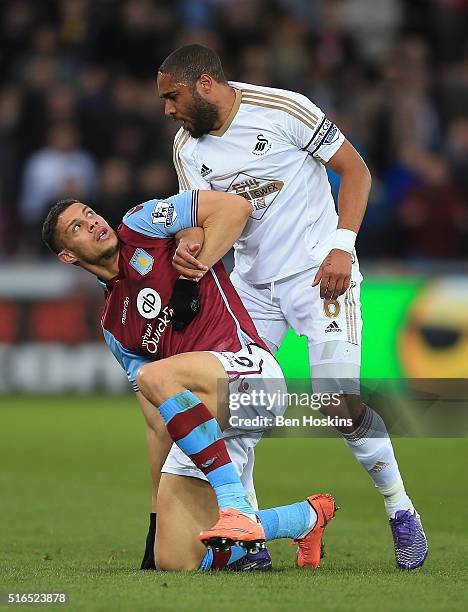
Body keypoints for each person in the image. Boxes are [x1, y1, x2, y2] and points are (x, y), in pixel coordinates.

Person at [156, 44, 428, 570]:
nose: (168, 109)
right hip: (252, 290)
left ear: (205, 83)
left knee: (338, 405)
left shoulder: (284, 110)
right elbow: (200, 216)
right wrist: (191, 243)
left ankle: (400, 508)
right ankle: (247, 537)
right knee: (233, 407)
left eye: (173, 96)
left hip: (320, 275)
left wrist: (342, 247)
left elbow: (356, 172)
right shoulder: (187, 148)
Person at [41, 190, 338, 572]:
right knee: (175, 560)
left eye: (90, 213)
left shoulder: (141, 225)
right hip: (205, 422)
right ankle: (302, 519)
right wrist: (155, 519)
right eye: (77, 228)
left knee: (156, 374)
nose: (94, 223)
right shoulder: (114, 326)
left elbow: (236, 208)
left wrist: (194, 265)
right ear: (69, 256)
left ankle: (232, 504)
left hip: (250, 374)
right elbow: (156, 423)